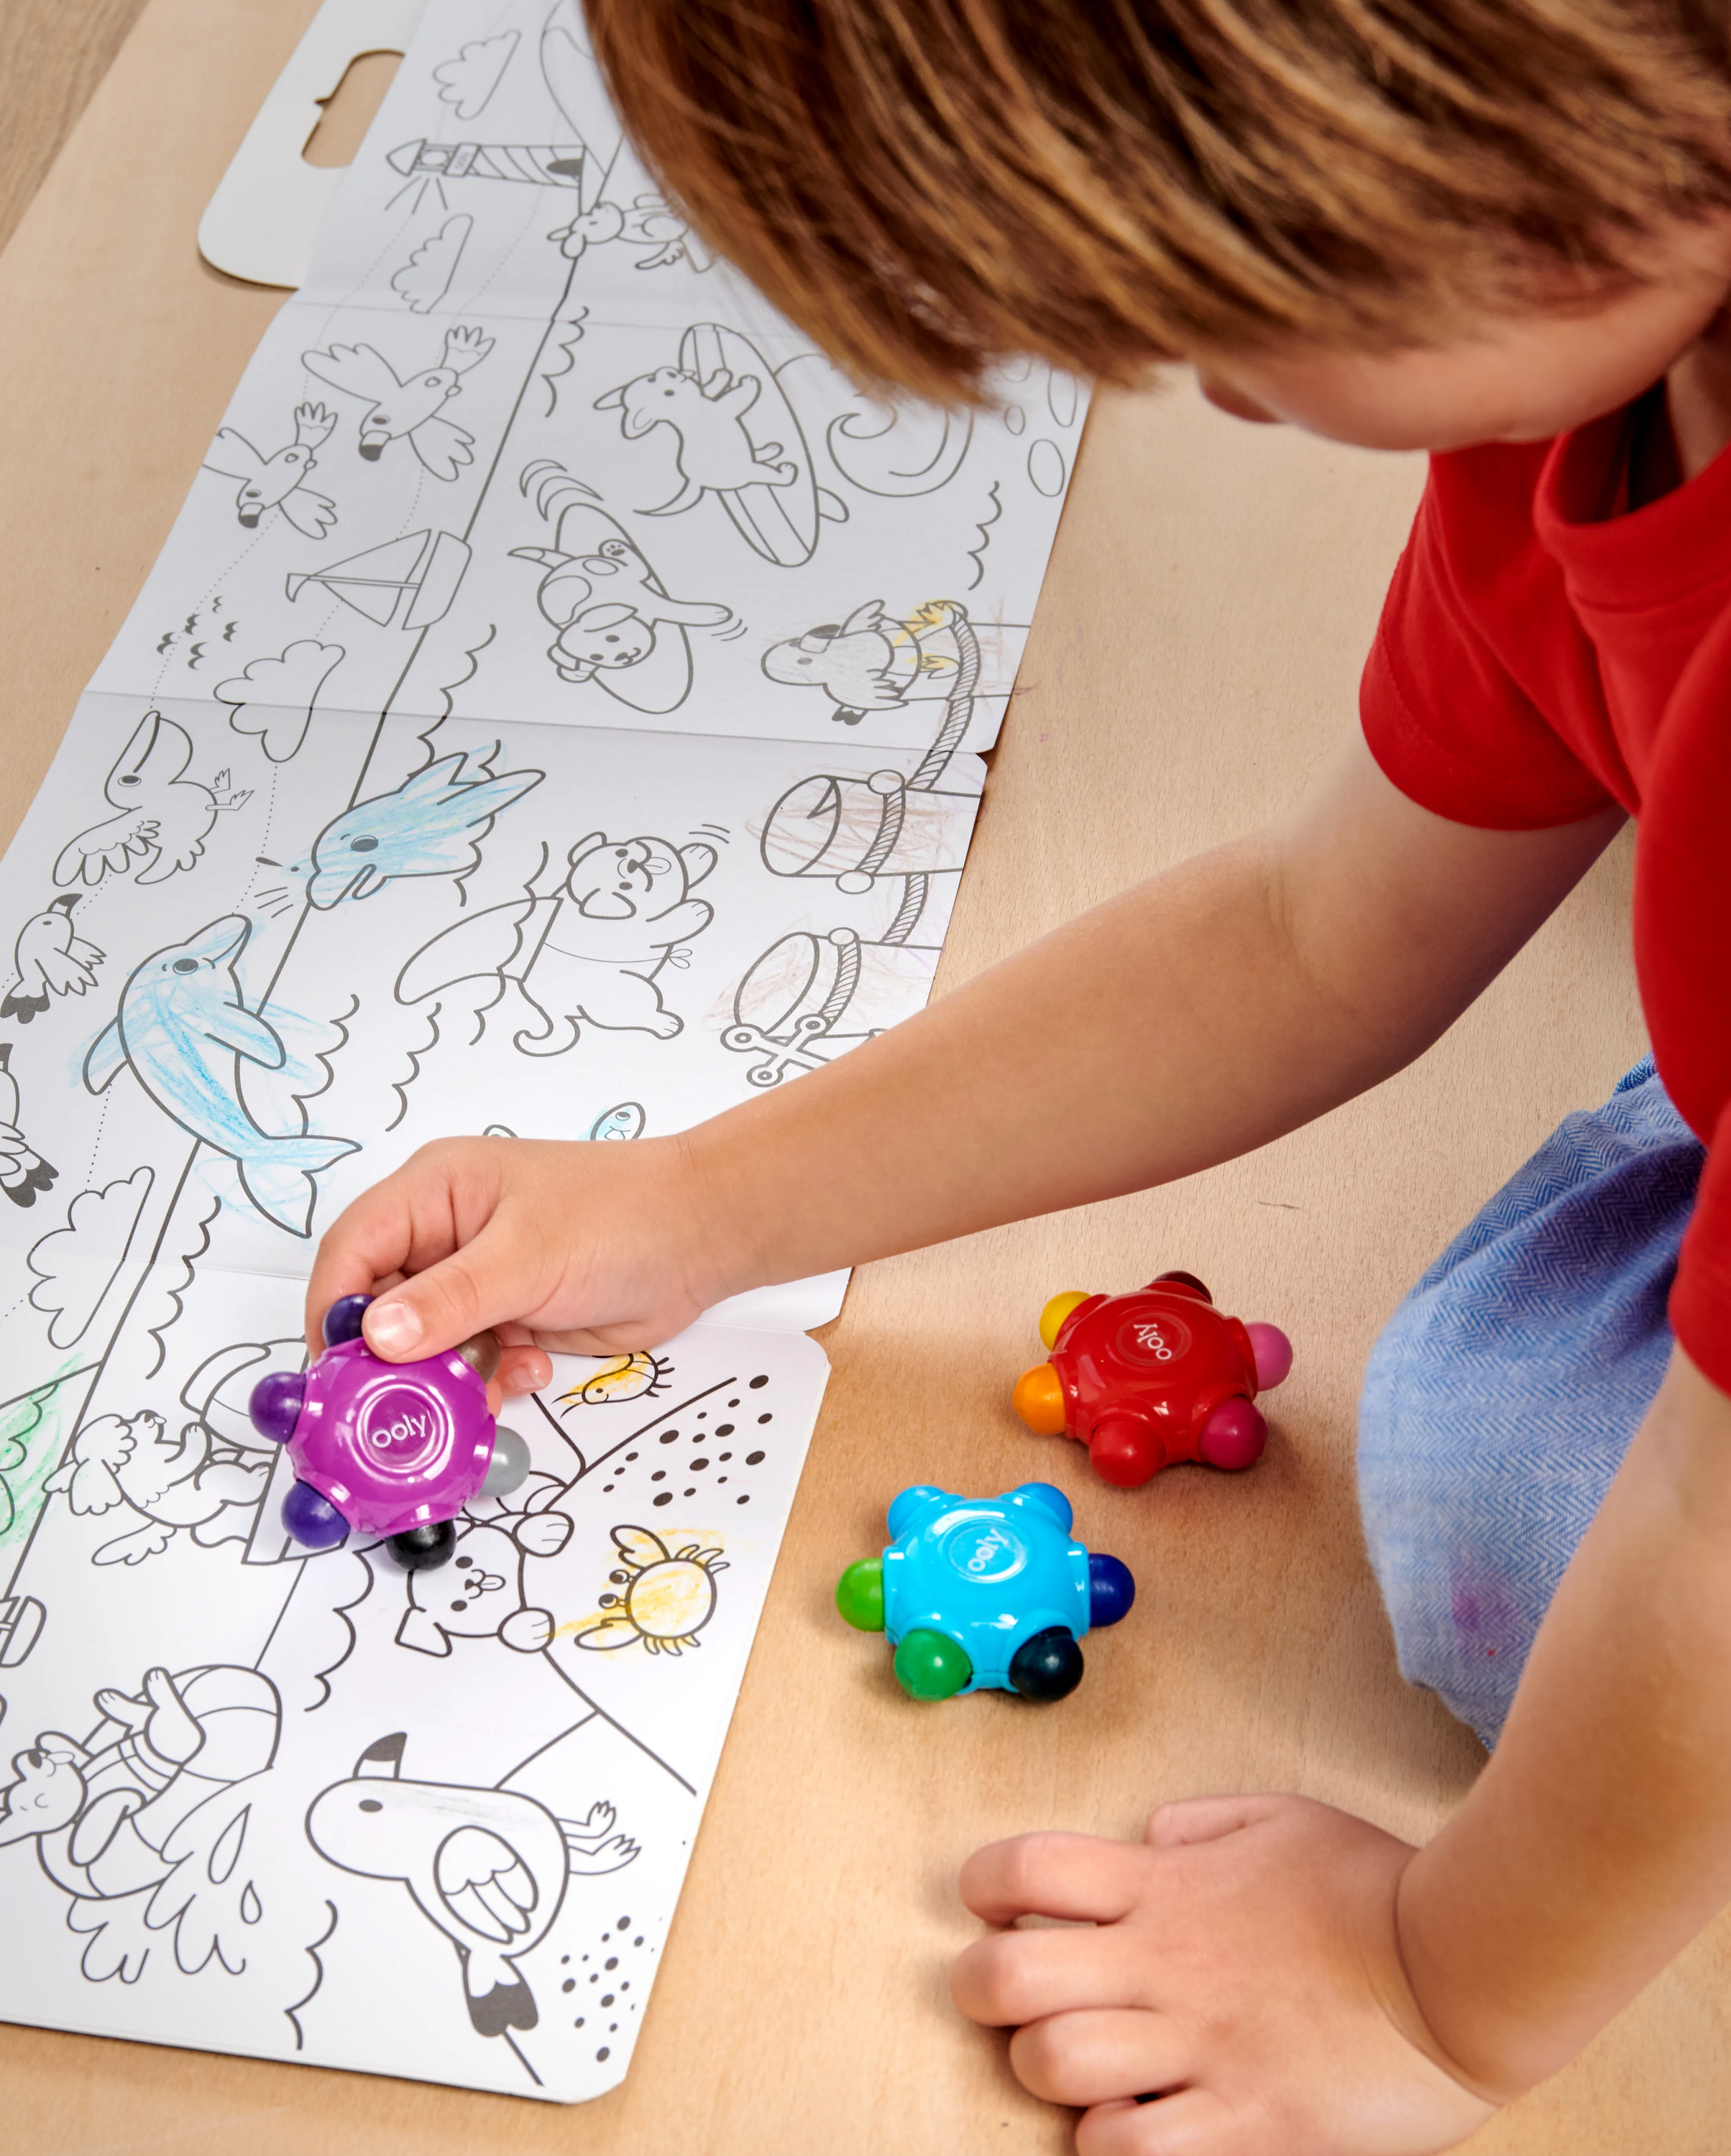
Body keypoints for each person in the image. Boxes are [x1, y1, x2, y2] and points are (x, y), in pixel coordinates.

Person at [307, 3, 1731, 2147]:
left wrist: (1445, 1995)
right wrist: (696, 1205)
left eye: (1230, 300)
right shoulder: (1605, 366)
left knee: (1521, 1559)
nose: (1198, 385)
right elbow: (1311, 938)